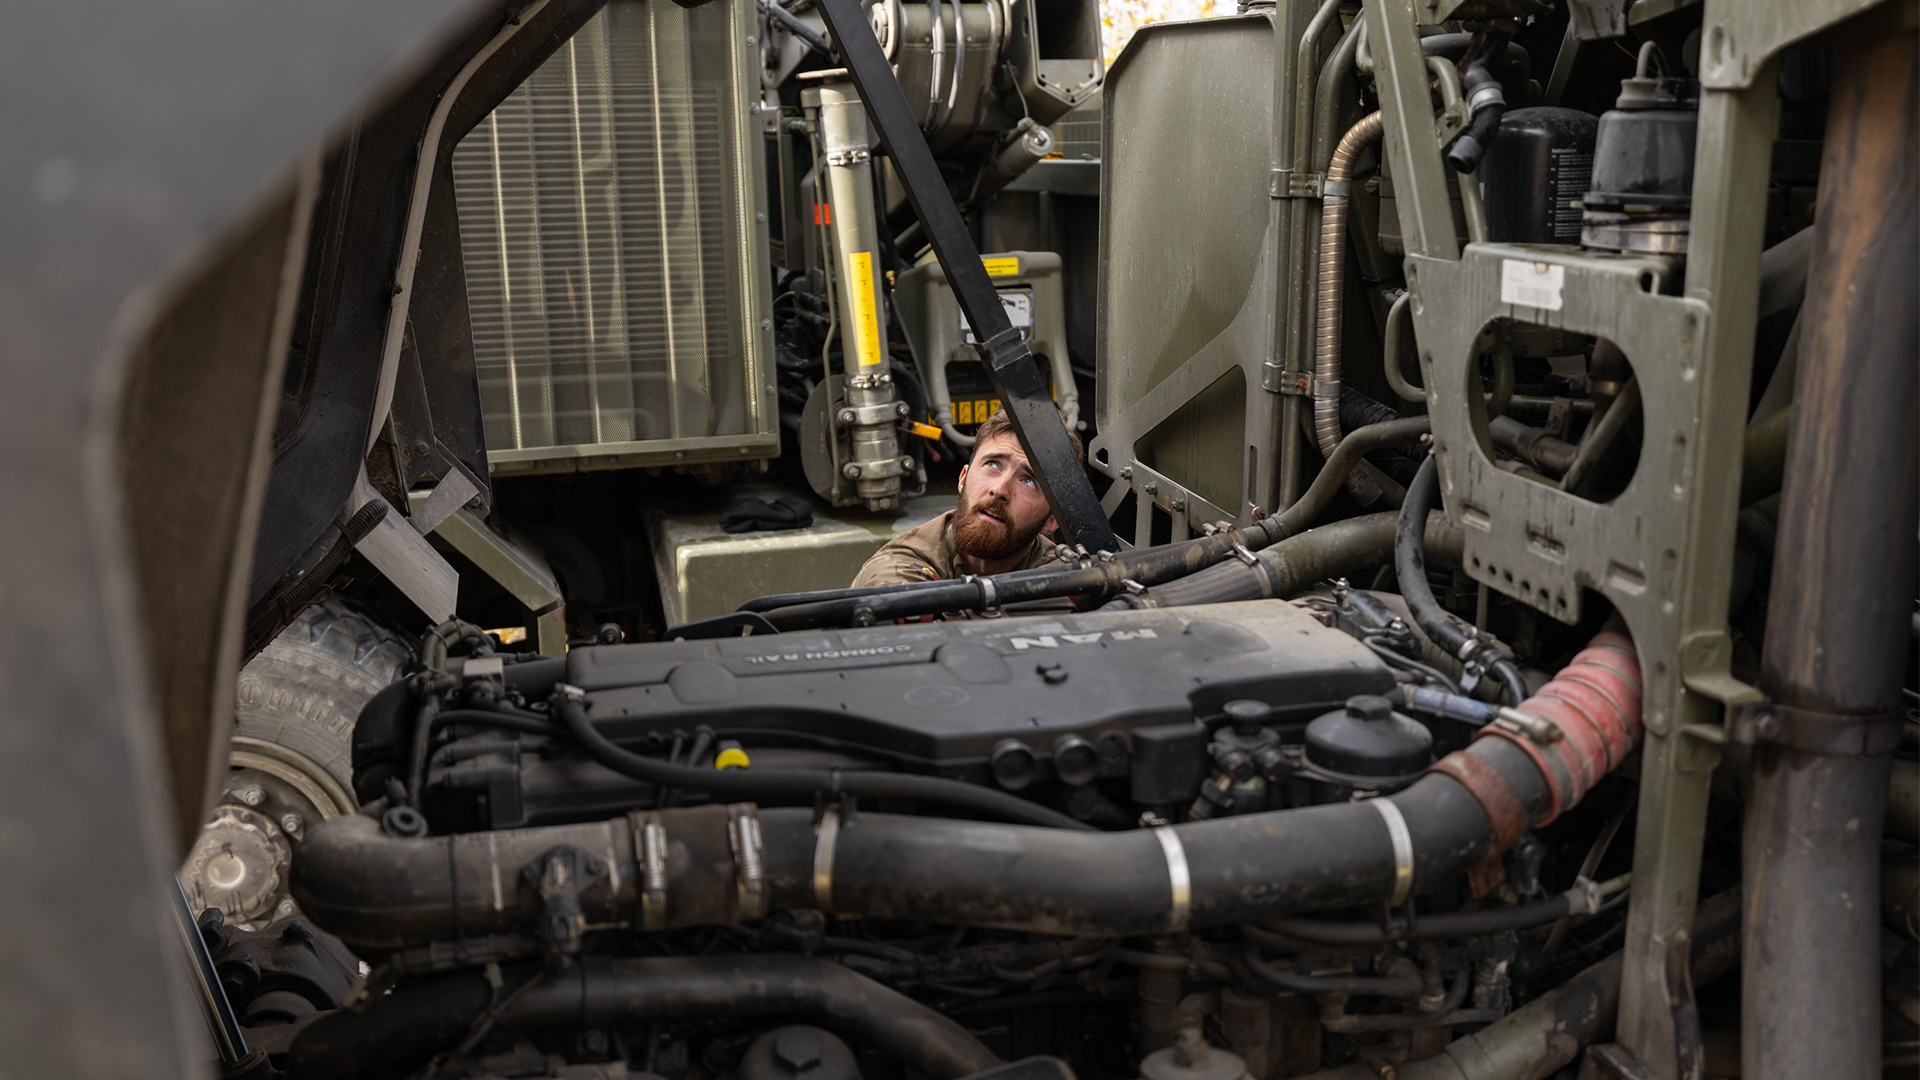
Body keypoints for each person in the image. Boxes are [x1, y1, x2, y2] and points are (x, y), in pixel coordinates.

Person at [851, 407, 1084, 587]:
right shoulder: (899, 568)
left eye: (1028, 480)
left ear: (1051, 520)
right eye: (993, 464)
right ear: (963, 478)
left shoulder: (1064, 574)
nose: (1000, 490)